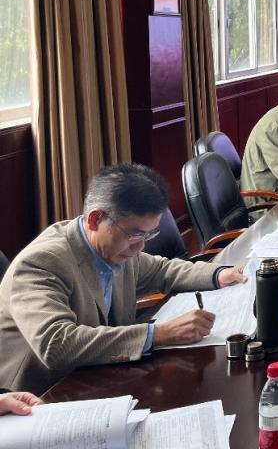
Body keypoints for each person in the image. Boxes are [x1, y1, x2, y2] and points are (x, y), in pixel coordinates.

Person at [0, 164, 248, 394]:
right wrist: (159, 334)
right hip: (42, 395)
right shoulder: (42, 262)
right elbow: (56, 345)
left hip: (99, 376)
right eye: (135, 235)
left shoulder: (115, 248)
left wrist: (219, 274)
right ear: (95, 219)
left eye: (148, 235)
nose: (140, 247)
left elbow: (162, 270)